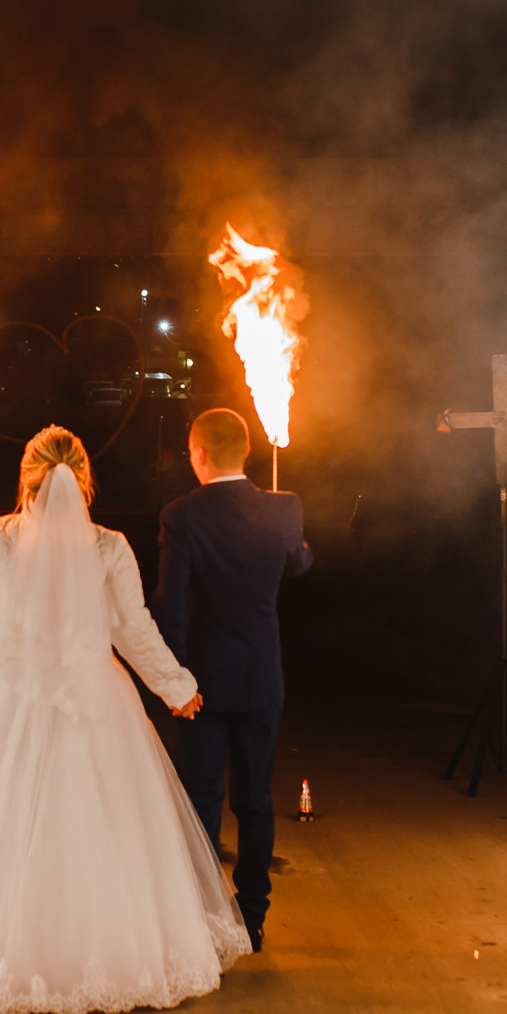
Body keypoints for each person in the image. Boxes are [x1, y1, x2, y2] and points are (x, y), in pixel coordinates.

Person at [0, 425, 251, 1014]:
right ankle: (86, 948)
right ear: (84, 478)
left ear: (27, 476)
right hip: (91, 700)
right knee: (88, 823)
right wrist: (176, 688)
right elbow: (132, 630)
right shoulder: (108, 547)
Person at [152, 407, 313, 953]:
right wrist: (295, 538)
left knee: (200, 798)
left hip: (200, 684)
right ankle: (252, 916)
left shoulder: (181, 516)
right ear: (246, 451)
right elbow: (299, 566)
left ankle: (203, 916)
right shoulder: (283, 507)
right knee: (256, 800)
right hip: (261, 678)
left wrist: (173, 680)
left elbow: (169, 607)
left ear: (197, 453)